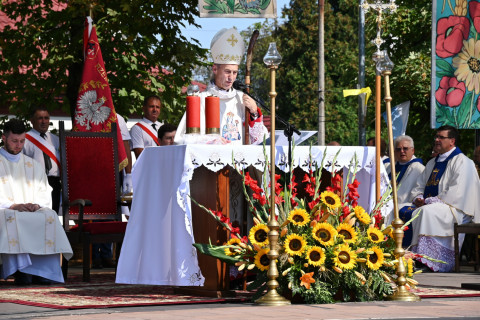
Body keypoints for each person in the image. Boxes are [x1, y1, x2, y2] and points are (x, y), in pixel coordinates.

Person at [0, 118, 72, 285]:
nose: (19, 145)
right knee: (13, 218)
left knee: (49, 216)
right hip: (6, 209)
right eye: (14, 141)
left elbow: (44, 190)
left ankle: (44, 272)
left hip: (31, 209)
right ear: (4, 138)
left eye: (22, 141)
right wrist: (14, 205)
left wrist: (36, 204)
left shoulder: (33, 165)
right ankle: (22, 271)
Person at [400, 125, 480, 272]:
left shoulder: (463, 162)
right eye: (436, 137)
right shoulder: (432, 163)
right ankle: (398, 257)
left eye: (441, 137)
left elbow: (458, 192)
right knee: (398, 210)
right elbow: (419, 186)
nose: (436, 140)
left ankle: (427, 260)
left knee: (425, 212)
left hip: (455, 209)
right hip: (432, 206)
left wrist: (428, 201)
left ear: (452, 141)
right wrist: (418, 197)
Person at [174, 28, 268, 145]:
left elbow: (260, 141)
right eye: (227, 72)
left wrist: (254, 112)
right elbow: (181, 140)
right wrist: (211, 140)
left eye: (235, 73)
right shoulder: (200, 99)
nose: (231, 78)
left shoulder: (241, 99)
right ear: (215, 69)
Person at [92, 113, 132, 269]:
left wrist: (128, 173)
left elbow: (126, 144)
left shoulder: (118, 118)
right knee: (95, 211)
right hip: (93, 168)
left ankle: (107, 255)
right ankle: (95, 256)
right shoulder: (88, 113)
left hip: (114, 169)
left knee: (112, 210)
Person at [384, 135, 424, 246]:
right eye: (398, 149)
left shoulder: (418, 168)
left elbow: (418, 191)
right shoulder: (389, 167)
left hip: (406, 204)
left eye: (405, 148)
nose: (402, 151)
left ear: (413, 150)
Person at [22, 107, 61, 214]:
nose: (44, 121)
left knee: (53, 215)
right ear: (32, 120)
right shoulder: (24, 139)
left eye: (46, 118)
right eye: (40, 118)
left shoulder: (56, 139)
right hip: (34, 182)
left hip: (54, 182)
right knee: (37, 217)